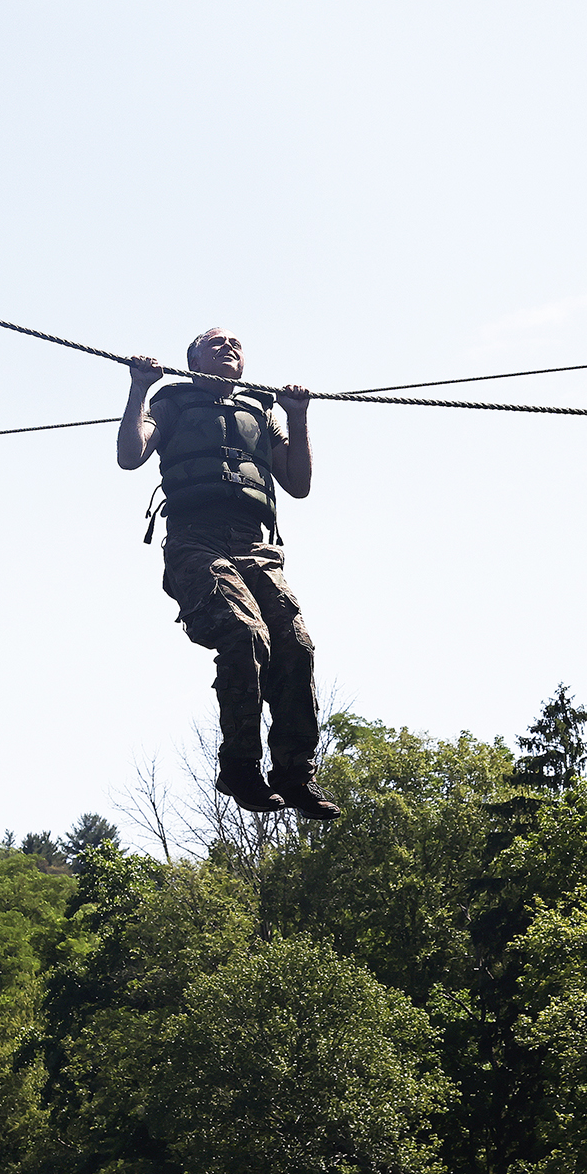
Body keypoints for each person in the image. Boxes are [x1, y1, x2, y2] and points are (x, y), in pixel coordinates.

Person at [118, 328, 340, 820]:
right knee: (245, 634)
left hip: (255, 544)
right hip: (197, 538)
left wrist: (297, 416)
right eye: (213, 343)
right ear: (192, 357)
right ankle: (240, 767)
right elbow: (130, 456)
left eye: (235, 344)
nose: (227, 348)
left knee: (295, 646)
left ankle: (295, 776)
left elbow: (298, 484)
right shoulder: (172, 401)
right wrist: (138, 387)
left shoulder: (261, 410)